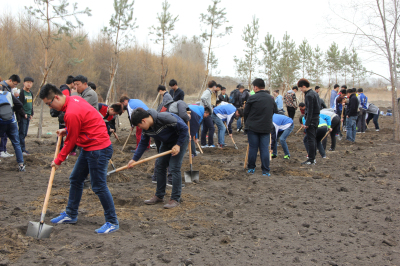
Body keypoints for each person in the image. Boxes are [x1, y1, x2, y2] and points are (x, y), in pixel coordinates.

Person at [40, 84, 118, 234]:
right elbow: (86, 121)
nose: (51, 108)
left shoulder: (71, 112)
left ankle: (112, 222)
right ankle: (71, 214)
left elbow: (71, 141)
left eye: (49, 104)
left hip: (98, 149)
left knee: (99, 186)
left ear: (56, 97)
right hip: (90, 146)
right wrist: (67, 129)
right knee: (75, 178)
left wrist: (58, 160)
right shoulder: (74, 99)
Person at [128, 108, 189, 209]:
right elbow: (143, 143)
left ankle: (175, 198)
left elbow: (184, 128)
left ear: (143, 120)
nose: (140, 128)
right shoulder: (146, 129)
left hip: (180, 139)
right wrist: (134, 159)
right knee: (160, 165)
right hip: (166, 142)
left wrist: (178, 145)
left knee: (174, 167)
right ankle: (159, 195)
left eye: (139, 126)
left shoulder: (165, 118)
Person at [244, 78, 278, 176]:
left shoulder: (252, 98)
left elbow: (246, 113)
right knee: (264, 149)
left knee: (253, 148)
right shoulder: (271, 98)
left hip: (252, 127)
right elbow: (275, 111)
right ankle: (266, 170)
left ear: (255, 87)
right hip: (266, 127)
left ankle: (251, 168)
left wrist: (246, 125)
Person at [0, 84, 25, 171]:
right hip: (11, 121)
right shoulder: (8, 94)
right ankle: (21, 165)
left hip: (0, 122)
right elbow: (19, 104)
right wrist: (12, 110)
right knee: (16, 143)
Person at [299, 78, 320, 165]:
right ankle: (312, 158)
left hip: (311, 120)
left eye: (300, 88)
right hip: (316, 119)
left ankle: (311, 159)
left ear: (304, 86)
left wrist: (307, 123)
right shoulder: (315, 93)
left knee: (310, 139)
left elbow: (310, 110)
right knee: (312, 139)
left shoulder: (309, 95)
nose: (300, 90)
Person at [0, 75, 22, 159]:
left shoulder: (7, 88)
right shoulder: (4, 88)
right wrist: (11, 110)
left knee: (5, 135)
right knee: (15, 141)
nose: (15, 86)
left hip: (7, 116)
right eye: (14, 84)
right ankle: (2, 150)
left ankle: (3, 150)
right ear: (10, 80)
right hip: (7, 117)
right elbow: (18, 104)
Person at [18, 77, 34, 155]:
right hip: (23, 116)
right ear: (24, 83)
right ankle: (21, 149)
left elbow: (31, 104)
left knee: (25, 133)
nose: (29, 84)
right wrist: (23, 113)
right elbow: (19, 105)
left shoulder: (30, 93)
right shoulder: (21, 92)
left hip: (28, 116)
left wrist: (31, 113)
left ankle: (22, 149)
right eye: (27, 82)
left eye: (30, 82)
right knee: (22, 132)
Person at [200, 80, 217, 148]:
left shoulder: (208, 92)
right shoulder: (207, 92)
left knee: (205, 128)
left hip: (204, 111)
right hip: (206, 112)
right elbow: (203, 98)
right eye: (215, 86)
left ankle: (203, 144)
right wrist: (208, 106)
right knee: (212, 128)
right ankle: (210, 144)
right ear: (213, 86)